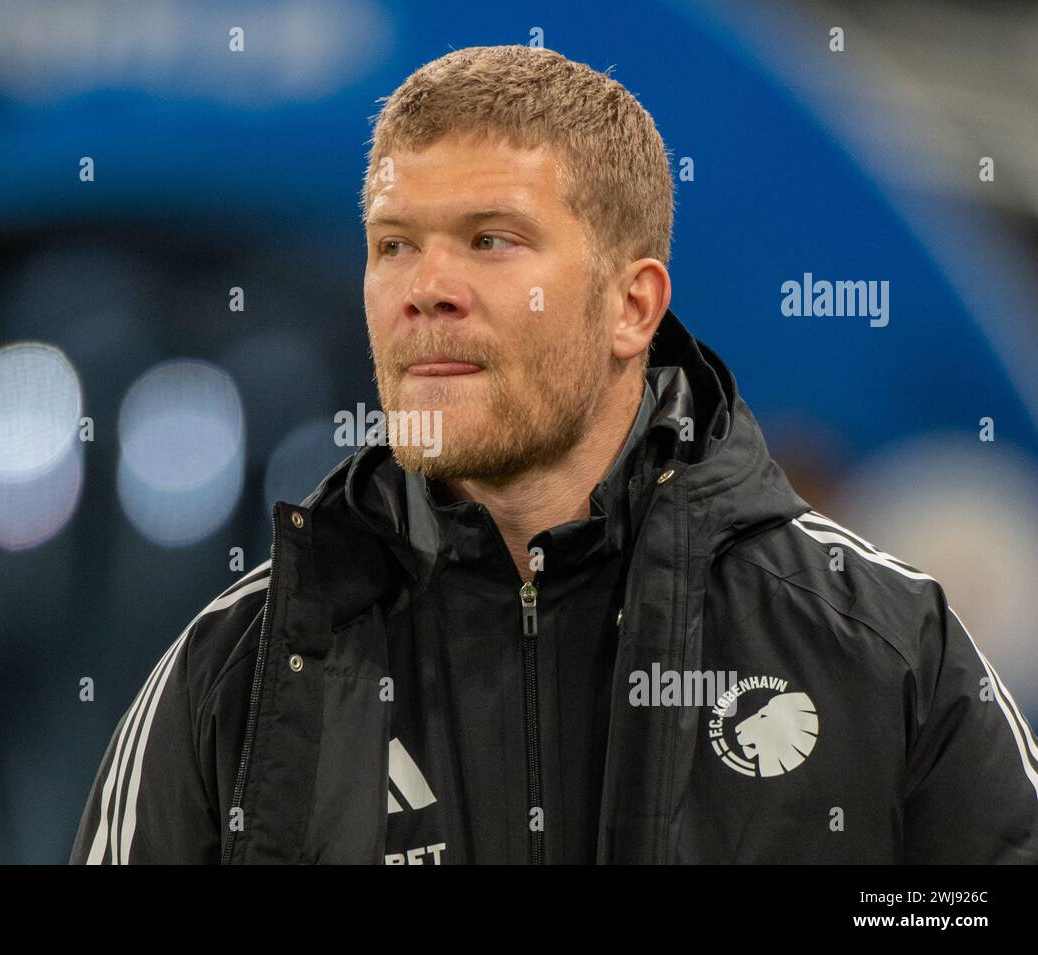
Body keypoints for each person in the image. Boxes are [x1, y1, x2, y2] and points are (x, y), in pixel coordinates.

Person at [70, 44, 1038, 864]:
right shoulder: (236, 676)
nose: (424, 289)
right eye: (393, 245)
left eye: (490, 240)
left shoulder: (884, 650)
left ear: (632, 307)